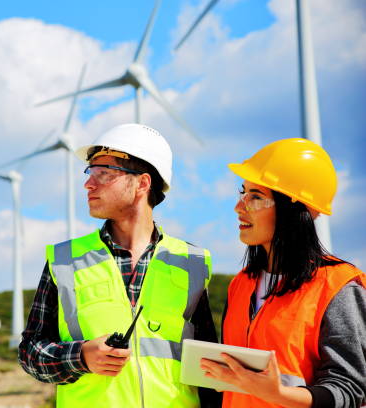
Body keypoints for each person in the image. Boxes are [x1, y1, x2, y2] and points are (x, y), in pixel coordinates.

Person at [18, 123, 221, 408]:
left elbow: (207, 368)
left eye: (104, 174)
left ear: (142, 183)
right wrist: (81, 357)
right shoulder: (65, 260)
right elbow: (30, 353)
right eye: (90, 173)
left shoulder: (192, 263)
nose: (88, 184)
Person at [200, 138, 366, 408]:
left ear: (292, 210)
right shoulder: (240, 285)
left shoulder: (338, 286)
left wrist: (278, 394)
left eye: (256, 197)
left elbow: (349, 389)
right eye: (243, 193)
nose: (239, 207)